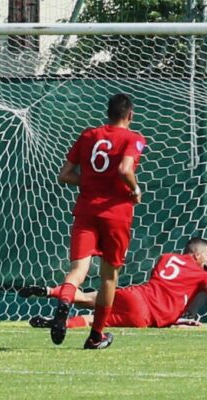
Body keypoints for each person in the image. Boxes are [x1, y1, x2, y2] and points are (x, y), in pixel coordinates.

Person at [54, 93, 146, 349]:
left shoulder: (88, 135)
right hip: (115, 214)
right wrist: (135, 190)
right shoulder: (134, 138)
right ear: (130, 115)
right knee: (109, 277)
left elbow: (65, 175)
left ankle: (64, 302)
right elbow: (124, 169)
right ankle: (96, 336)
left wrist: (92, 182)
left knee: (77, 270)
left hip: (86, 210)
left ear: (107, 113)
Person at [21, 238, 207, 330]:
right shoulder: (200, 273)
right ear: (196, 254)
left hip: (136, 294)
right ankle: (60, 323)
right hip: (146, 315)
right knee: (92, 318)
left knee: (90, 299)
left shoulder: (166, 257)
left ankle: (50, 290)